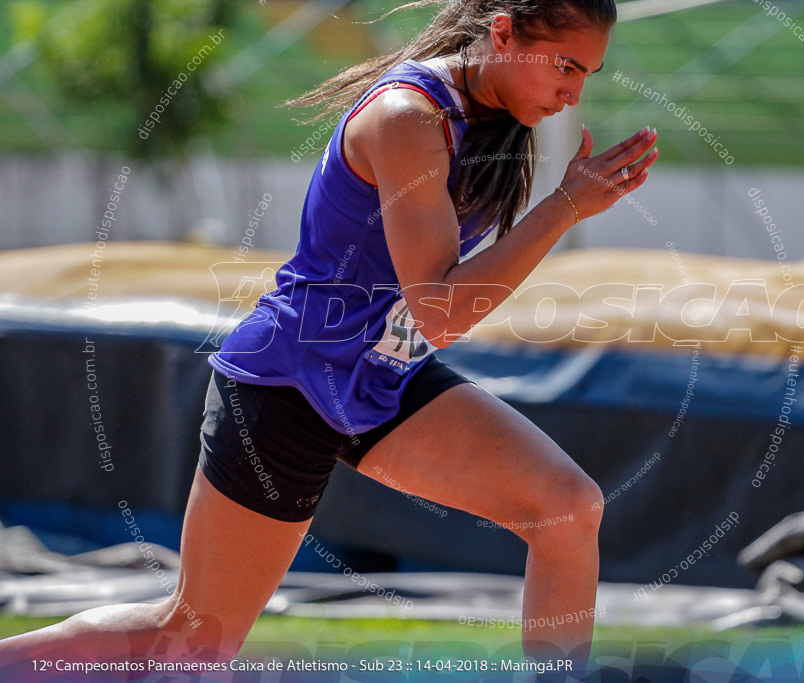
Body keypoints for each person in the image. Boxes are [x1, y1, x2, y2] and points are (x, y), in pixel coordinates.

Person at [0, 0, 657, 675]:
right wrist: (565, 207)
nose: (574, 92)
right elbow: (439, 310)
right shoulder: (409, 117)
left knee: (568, 508)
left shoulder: (494, 117)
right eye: (565, 66)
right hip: (289, 385)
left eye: (589, 74)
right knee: (194, 640)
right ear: (502, 33)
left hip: (381, 376)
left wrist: (562, 203)